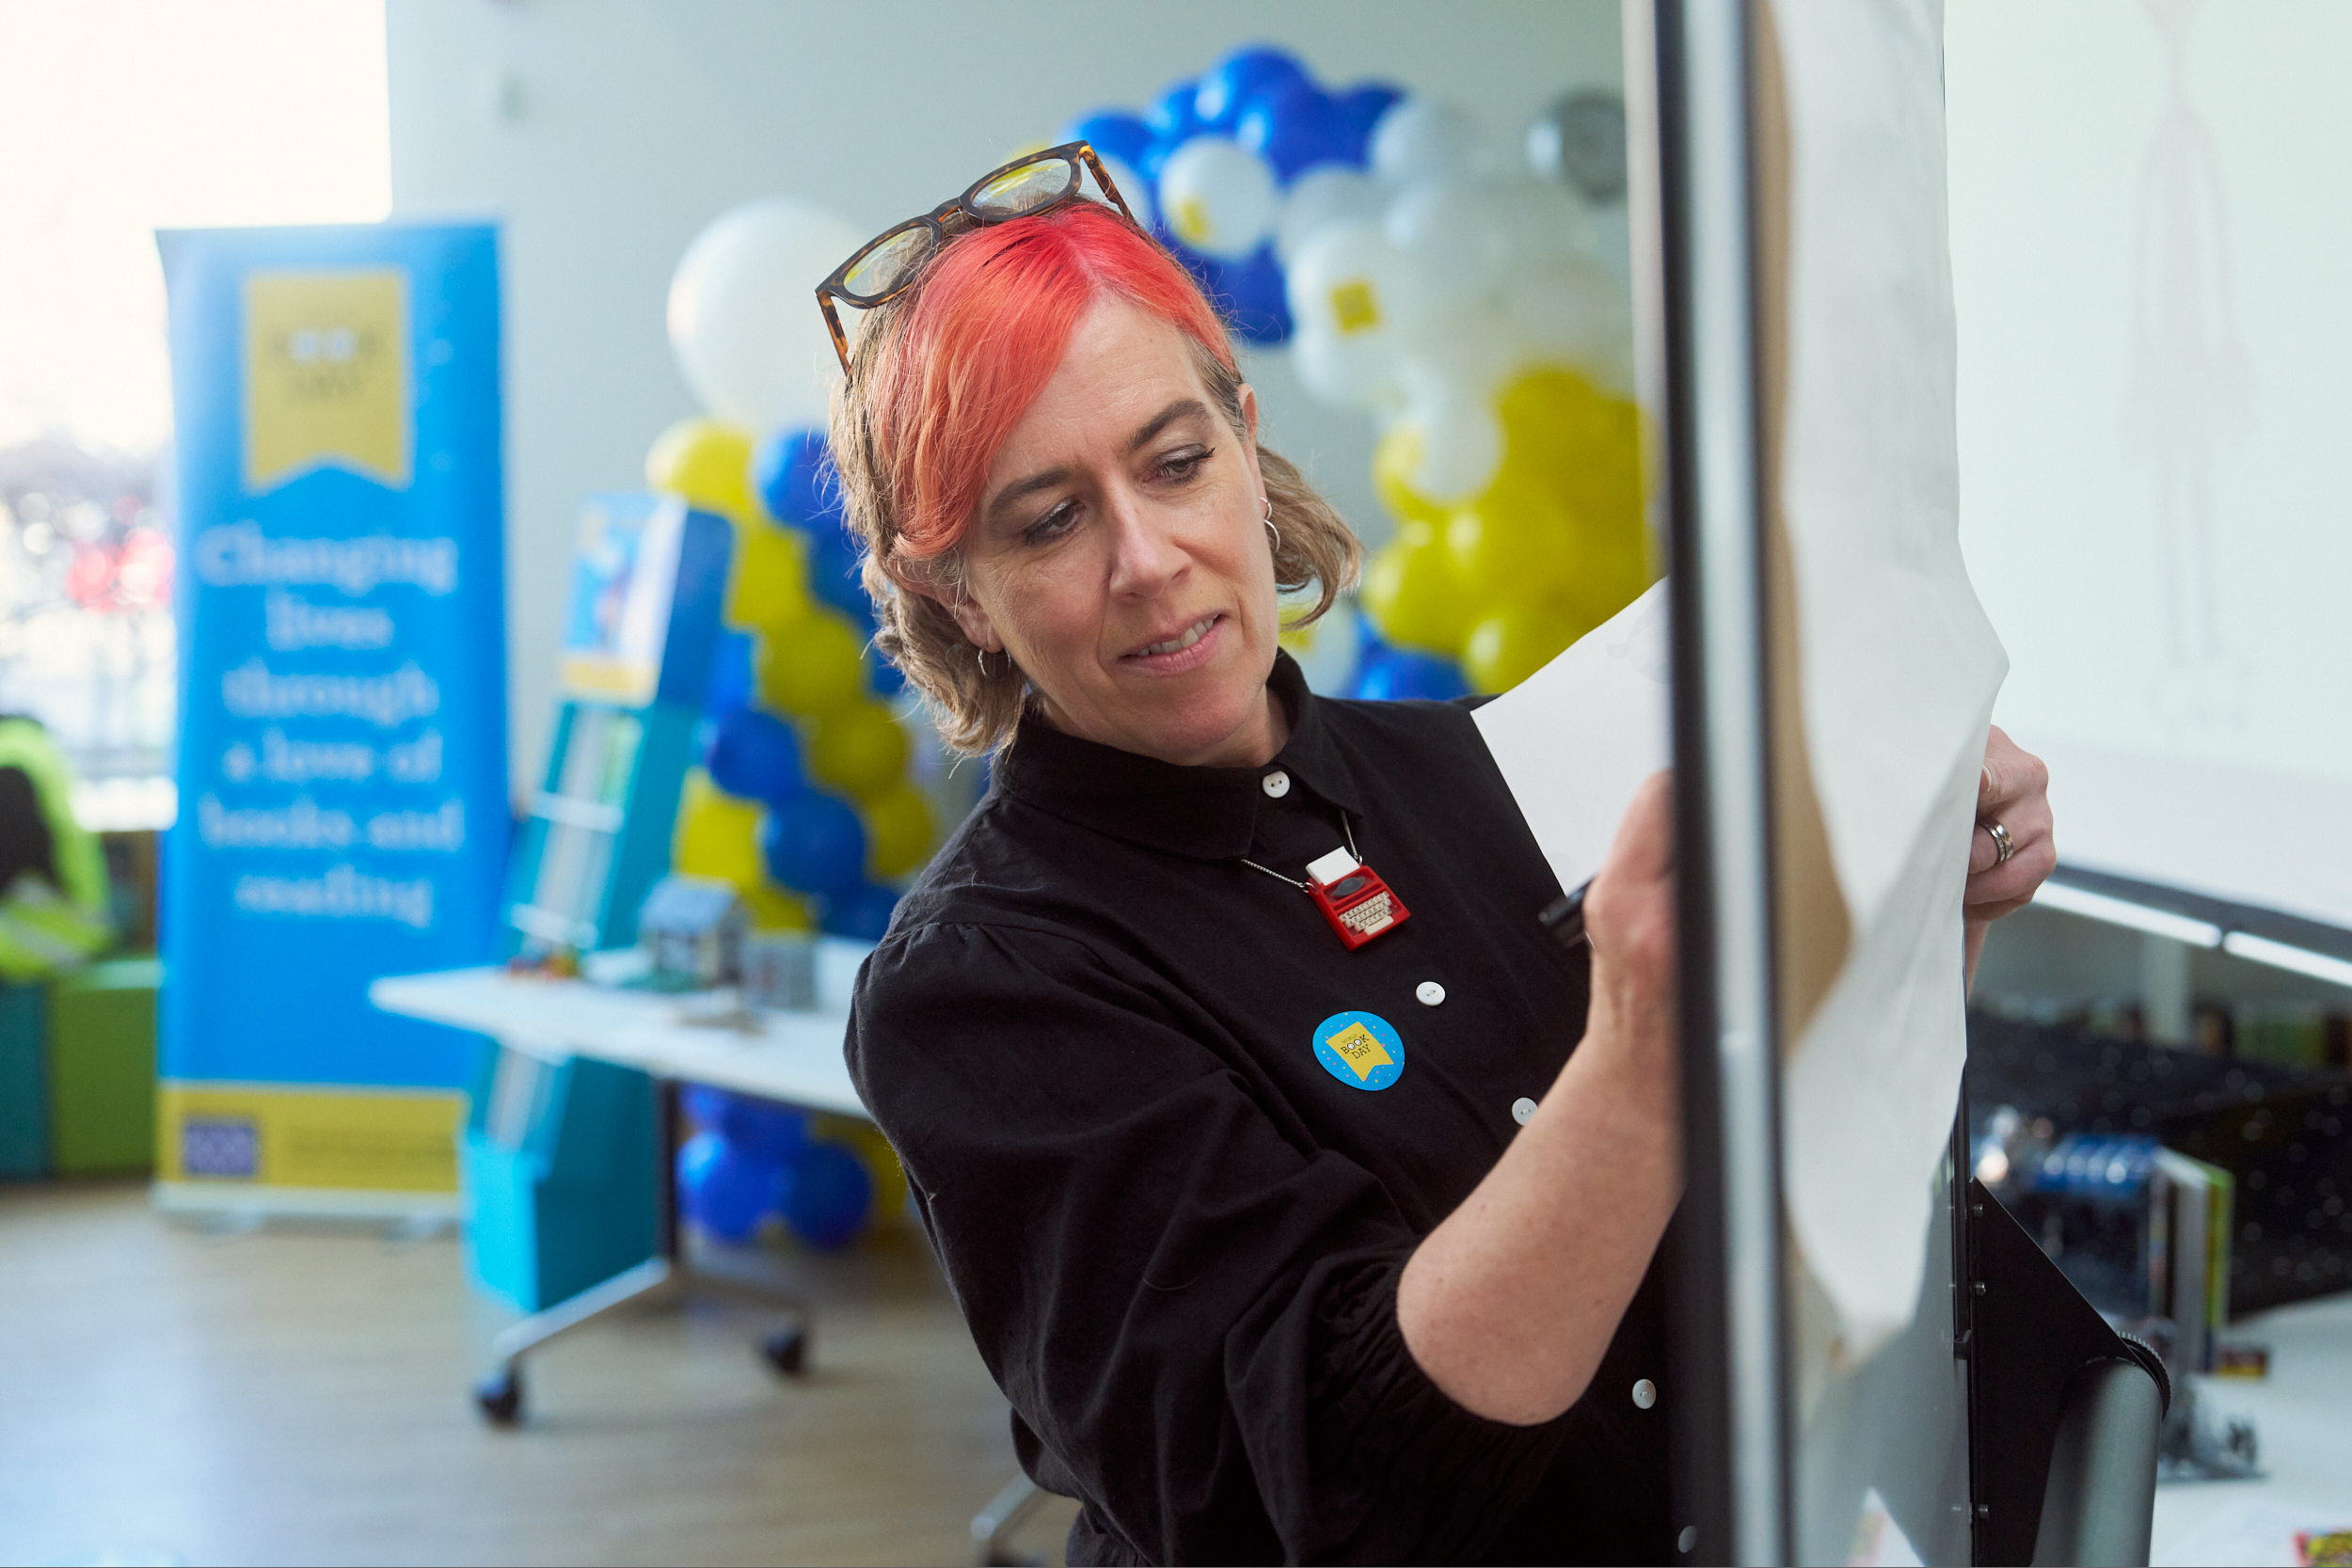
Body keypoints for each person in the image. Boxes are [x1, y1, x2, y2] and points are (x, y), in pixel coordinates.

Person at [826, 147, 2054, 1565]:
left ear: (1244, 429)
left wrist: (1920, 898)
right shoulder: (987, 986)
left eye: (1175, 462)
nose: (1151, 557)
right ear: (950, 592)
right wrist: (1642, 1058)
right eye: (1050, 520)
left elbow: (1799, 1199)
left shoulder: (1476, 764)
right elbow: (1332, 1486)